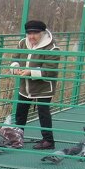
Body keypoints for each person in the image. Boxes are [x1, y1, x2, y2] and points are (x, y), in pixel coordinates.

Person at [12, 19, 59, 150]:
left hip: (43, 87)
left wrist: (30, 72)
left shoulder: (52, 48)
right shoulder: (22, 43)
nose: (31, 36)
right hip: (25, 86)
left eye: (35, 33)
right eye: (29, 33)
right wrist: (15, 67)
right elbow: (15, 58)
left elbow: (49, 70)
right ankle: (17, 136)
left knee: (43, 113)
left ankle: (48, 140)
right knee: (20, 111)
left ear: (42, 33)